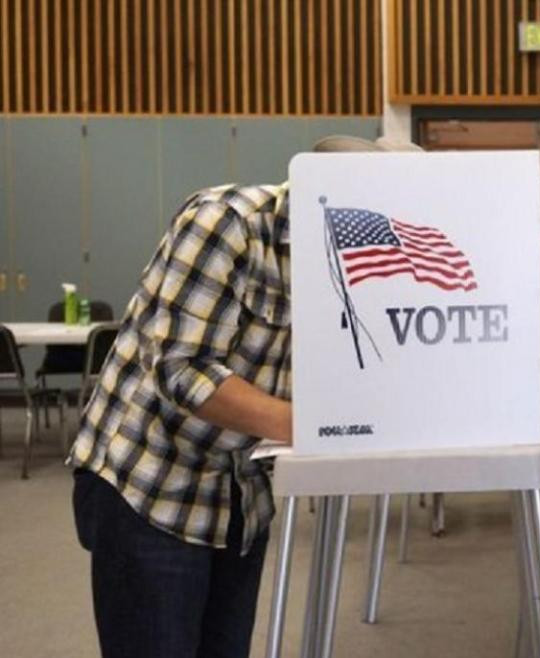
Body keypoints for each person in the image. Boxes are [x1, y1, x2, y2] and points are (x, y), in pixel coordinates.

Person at [69, 135, 415, 657]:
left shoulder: (357, 264)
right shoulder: (225, 222)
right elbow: (182, 369)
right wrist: (316, 426)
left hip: (239, 499)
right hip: (149, 486)